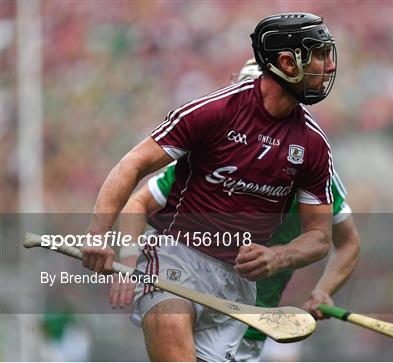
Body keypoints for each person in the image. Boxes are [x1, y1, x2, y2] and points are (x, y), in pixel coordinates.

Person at [83, 12, 338, 361]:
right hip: (177, 257)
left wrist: (279, 255)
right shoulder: (216, 111)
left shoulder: (312, 144)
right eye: (319, 55)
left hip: (237, 282)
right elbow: (133, 164)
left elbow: (321, 236)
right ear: (285, 63)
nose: (327, 67)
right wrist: (99, 235)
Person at [110, 148, 360, 362]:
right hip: (187, 290)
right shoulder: (214, 152)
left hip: (250, 328)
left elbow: (348, 243)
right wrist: (129, 257)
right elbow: (138, 203)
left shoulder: (315, 174)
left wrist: (324, 290)